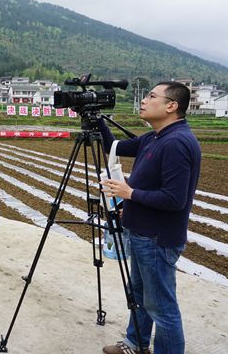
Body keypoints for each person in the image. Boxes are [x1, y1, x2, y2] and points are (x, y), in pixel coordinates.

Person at [99, 81, 201, 354]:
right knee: (141, 295)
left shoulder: (176, 142)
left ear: (171, 106)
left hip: (157, 238)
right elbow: (112, 146)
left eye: (152, 96)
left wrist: (130, 193)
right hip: (143, 232)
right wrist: (95, 117)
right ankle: (135, 343)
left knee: (161, 307)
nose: (144, 100)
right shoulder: (154, 137)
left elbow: (175, 199)